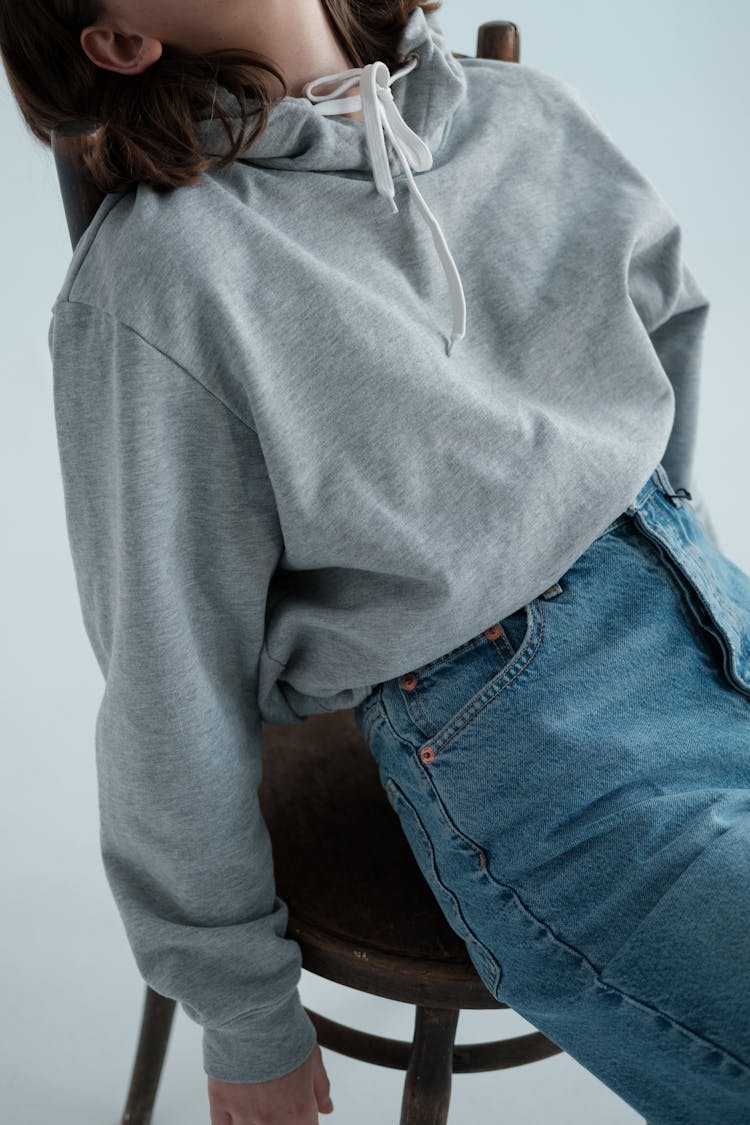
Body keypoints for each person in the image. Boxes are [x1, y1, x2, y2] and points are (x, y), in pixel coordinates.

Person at [2, 1, 748, 1122]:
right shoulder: (162, 279)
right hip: (544, 757)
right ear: (119, 41)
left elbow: (670, 340)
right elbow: (170, 680)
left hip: (711, 617)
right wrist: (247, 1016)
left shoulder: (526, 117)